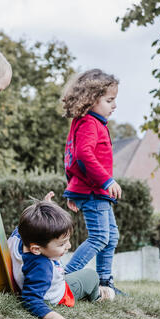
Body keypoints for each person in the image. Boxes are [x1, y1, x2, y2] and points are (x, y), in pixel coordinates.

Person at [8, 193, 114, 319]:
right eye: (62, 244)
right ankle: (98, 295)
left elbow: (29, 223)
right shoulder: (41, 267)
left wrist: (47, 206)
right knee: (91, 275)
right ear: (36, 249)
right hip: (61, 293)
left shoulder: (18, 236)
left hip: (52, 276)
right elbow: (31, 299)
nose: (68, 246)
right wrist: (54, 316)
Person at [60, 68, 123, 294]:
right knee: (99, 238)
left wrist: (72, 191)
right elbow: (82, 155)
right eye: (109, 100)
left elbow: (70, 157)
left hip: (93, 192)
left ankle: (105, 282)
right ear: (91, 100)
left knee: (111, 236)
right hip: (95, 191)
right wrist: (107, 181)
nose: (114, 105)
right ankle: (64, 280)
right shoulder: (89, 123)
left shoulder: (92, 122)